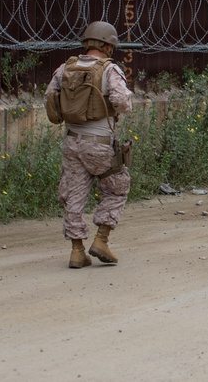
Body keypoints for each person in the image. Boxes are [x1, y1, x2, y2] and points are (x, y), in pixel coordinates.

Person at [44, 21, 133, 268]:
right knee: (117, 188)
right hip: (100, 144)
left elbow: (49, 100)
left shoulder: (65, 69)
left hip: (72, 142)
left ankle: (77, 251)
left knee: (73, 195)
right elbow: (122, 102)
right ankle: (101, 240)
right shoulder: (109, 70)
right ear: (107, 45)